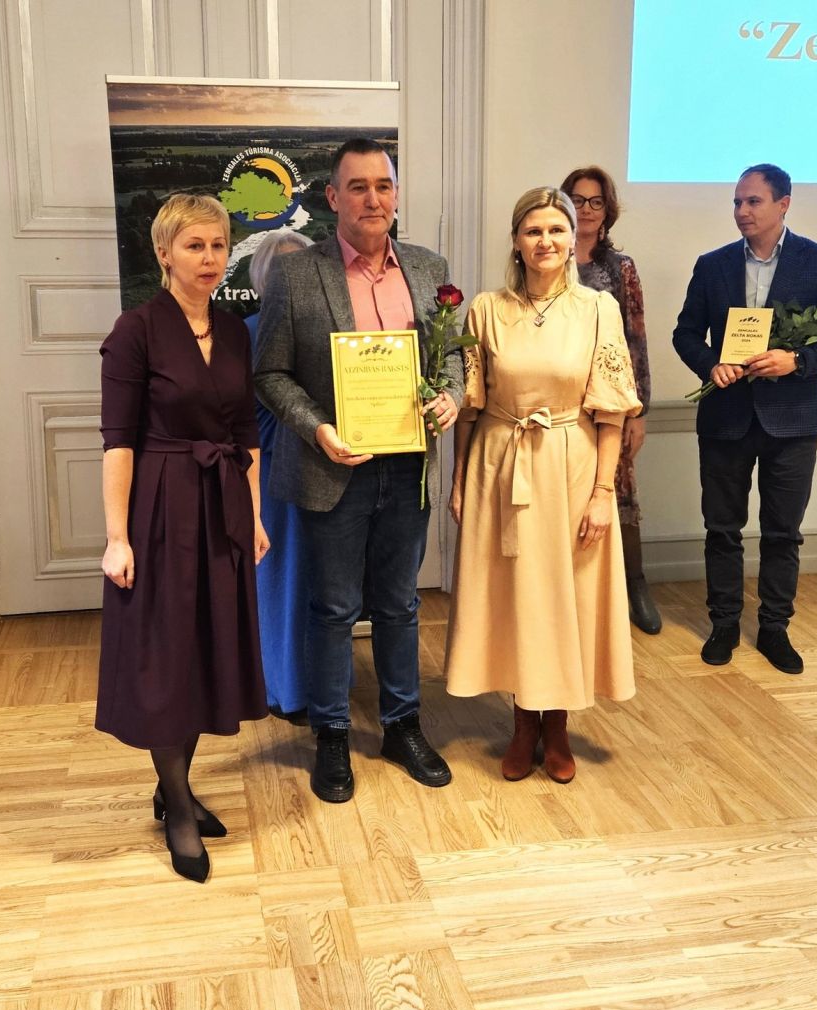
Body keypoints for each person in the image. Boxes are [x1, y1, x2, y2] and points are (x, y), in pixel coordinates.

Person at [254, 138, 462, 802]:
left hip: (408, 468)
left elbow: (451, 356)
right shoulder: (297, 275)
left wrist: (452, 396)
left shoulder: (429, 269)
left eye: (383, 185)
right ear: (332, 197)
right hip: (333, 468)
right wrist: (318, 428)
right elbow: (270, 373)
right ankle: (332, 735)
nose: (373, 199)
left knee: (400, 605)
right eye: (358, 186)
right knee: (335, 608)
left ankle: (402, 726)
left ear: (396, 194)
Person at [98, 193, 270, 884]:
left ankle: (175, 786)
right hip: (160, 508)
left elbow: (245, 434)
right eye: (194, 246)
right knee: (166, 657)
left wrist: (253, 516)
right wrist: (117, 537)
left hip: (221, 504)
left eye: (218, 245)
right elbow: (117, 442)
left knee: (204, 649)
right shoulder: (136, 330)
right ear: (164, 253)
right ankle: (175, 804)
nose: (209, 258)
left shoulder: (233, 331)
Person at [444, 187, 642, 783]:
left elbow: (611, 411)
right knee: (512, 595)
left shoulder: (598, 309)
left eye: (557, 230)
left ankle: (555, 725)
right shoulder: (485, 309)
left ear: (573, 238)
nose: (546, 241)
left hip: (570, 465)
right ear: (516, 241)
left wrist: (604, 493)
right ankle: (522, 722)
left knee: (564, 595)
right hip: (499, 464)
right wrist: (459, 481)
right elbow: (470, 408)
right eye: (534, 231)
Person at [672, 163, 817, 676]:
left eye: (752, 201)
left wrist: (797, 361)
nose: (742, 211)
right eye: (737, 202)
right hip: (726, 416)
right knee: (721, 528)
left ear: (783, 204)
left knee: (783, 532)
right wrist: (711, 364)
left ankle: (774, 627)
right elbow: (685, 333)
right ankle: (724, 623)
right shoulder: (712, 265)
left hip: (792, 418)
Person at [559, 166, 661, 634]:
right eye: (577, 200)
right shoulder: (546, 256)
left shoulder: (620, 269)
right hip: (559, 402)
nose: (585, 209)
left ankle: (634, 585)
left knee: (617, 493)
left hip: (611, 403)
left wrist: (638, 410)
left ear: (607, 211)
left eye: (595, 202)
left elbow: (635, 340)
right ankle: (576, 593)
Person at [243, 229, 315, 724]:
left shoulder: (329, 331)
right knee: (279, 582)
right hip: (270, 475)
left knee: (321, 585)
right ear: (263, 280)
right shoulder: (247, 333)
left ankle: (321, 683)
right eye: (282, 272)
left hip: (325, 472)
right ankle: (284, 689)